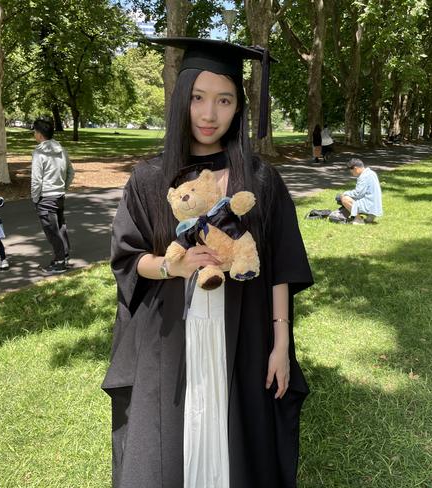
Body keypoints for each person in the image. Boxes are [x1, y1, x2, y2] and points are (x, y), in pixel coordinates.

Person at [102, 37, 313, 488]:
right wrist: (170, 267)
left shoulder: (258, 180)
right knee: (171, 449)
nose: (209, 114)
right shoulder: (149, 179)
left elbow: (280, 267)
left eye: (224, 100)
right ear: (181, 100)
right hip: (172, 339)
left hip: (244, 336)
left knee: (236, 444)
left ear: (239, 108)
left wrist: (281, 345)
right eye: (198, 98)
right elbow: (127, 257)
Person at [31, 118, 75, 274]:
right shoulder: (61, 149)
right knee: (60, 227)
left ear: (40, 134)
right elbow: (71, 172)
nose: (34, 135)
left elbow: (36, 180)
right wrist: (62, 188)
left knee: (52, 231)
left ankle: (59, 263)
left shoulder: (39, 152)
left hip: (46, 198)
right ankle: (64, 255)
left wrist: (35, 198)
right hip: (59, 196)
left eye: (35, 132)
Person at [340, 157, 383, 224]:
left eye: (351, 170)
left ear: (355, 168)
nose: (351, 173)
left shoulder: (363, 177)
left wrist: (345, 193)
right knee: (349, 197)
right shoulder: (371, 173)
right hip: (375, 205)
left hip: (369, 205)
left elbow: (358, 193)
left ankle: (359, 220)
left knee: (345, 199)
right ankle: (370, 218)